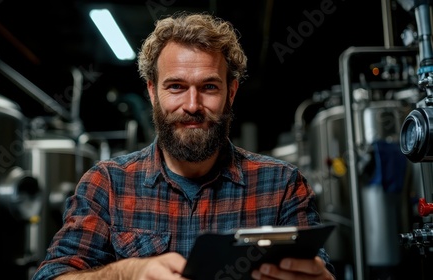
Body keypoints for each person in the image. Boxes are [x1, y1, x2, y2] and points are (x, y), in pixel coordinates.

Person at [32, 11, 336, 280]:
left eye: (209, 87)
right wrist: (128, 272)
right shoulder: (108, 184)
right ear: (153, 92)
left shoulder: (281, 185)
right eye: (176, 86)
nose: (192, 105)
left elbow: (316, 271)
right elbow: (53, 275)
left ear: (231, 93)